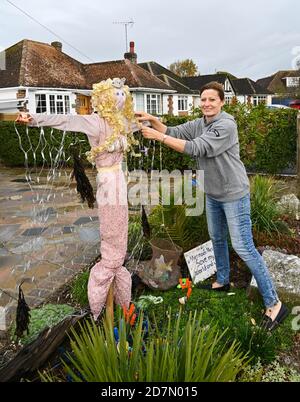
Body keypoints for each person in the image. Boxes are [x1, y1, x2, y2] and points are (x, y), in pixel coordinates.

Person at [135, 81, 288, 331]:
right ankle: (223, 280)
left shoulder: (226, 124)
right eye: (203, 100)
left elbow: (198, 148)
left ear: (222, 102)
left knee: (244, 246)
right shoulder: (200, 123)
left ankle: (274, 303)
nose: (206, 104)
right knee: (216, 238)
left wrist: (157, 136)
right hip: (213, 193)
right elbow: (174, 132)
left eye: (212, 100)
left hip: (234, 193)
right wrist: (154, 120)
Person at [16, 77, 141, 321]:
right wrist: (34, 119)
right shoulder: (95, 123)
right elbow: (66, 120)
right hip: (108, 182)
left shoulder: (122, 122)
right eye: (115, 95)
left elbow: (139, 124)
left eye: (122, 95)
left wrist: (157, 123)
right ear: (104, 98)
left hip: (120, 180)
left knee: (121, 226)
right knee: (111, 227)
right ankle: (109, 274)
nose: (120, 99)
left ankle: (117, 276)